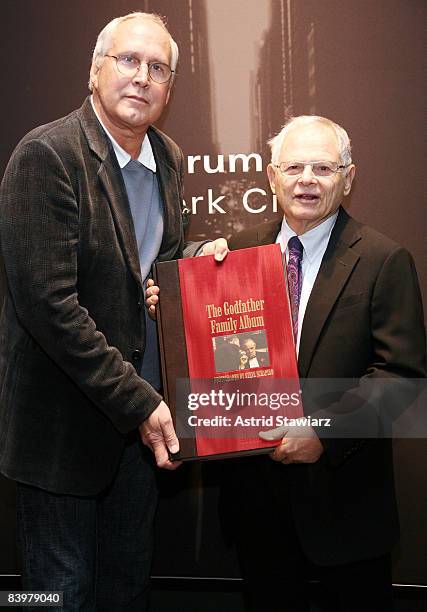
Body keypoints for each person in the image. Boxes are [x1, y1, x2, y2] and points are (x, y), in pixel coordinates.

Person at [0, 12, 226, 611]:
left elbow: (159, 260)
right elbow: (49, 306)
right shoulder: (46, 155)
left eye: (158, 68)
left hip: (139, 438)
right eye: (129, 60)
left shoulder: (169, 158)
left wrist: (197, 265)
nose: (142, 77)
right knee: (58, 598)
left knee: (125, 591)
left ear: (170, 87)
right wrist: (141, 404)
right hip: (64, 436)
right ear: (95, 70)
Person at [217, 116, 426, 611]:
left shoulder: (383, 259)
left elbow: (401, 378)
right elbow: (217, 349)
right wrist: (173, 309)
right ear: (271, 177)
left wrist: (324, 431)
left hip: (346, 514)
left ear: (347, 178)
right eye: (294, 167)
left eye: (323, 168)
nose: (306, 179)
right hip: (258, 508)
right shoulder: (241, 251)